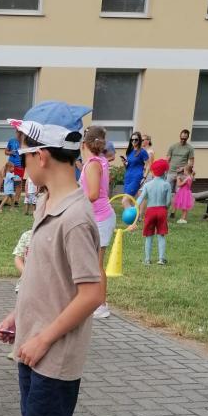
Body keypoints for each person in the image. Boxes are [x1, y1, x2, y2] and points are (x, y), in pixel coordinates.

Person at [0, 101, 103, 416]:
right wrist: (18, 318)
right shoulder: (46, 202)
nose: (19, 162)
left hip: (54, 354)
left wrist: (42, 337)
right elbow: (44, 280)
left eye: (22, 153)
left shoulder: (76, 218)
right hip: (32, 344)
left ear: (41, 155)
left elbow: (91, 293)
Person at [79, 125, 116, 320]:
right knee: (91, 262)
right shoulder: (99, 161)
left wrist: (73, 201)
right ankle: (89, 300)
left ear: (84, 144)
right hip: (98, 217)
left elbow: (93, 194)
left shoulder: (94, 164)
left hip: (100, 218)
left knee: (97, 263)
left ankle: (101, 305)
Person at [133, 157, 172, 265]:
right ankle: (161, 259)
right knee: (161, 235)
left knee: (148, 236)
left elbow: (140, 199)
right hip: (162, 210)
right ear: (164, 172)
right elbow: (168, 201)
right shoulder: (166, 185)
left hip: (150, 211)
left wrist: (134, 207)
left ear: (153, 172)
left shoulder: (147, 185)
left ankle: (147, 259)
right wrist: (166, 208)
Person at [166, 129, 195, 208]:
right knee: (167, 191)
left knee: (178, 193)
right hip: (171, 172)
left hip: (182, 174)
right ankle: (166, 209)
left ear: (187, 138)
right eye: (182, 138)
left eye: (185, 138)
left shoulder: (190, 148)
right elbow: (167, 159)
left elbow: (191, 162)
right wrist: (165, 169)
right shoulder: (173, 146)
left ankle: (173, 211)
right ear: (180, 136)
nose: (183, 140)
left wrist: (183, 168)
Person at [122, 131, 149, 197]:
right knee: (127, 198)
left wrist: (144, 177)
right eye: (132, 139)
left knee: (126, 199)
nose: (134, 141)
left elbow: (148, 165)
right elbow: (128, 167)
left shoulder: (142, 151)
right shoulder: (129, 151)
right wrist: (124, 163)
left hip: (136, 177)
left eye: (136, 139)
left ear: (139, 140)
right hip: (128, 177)